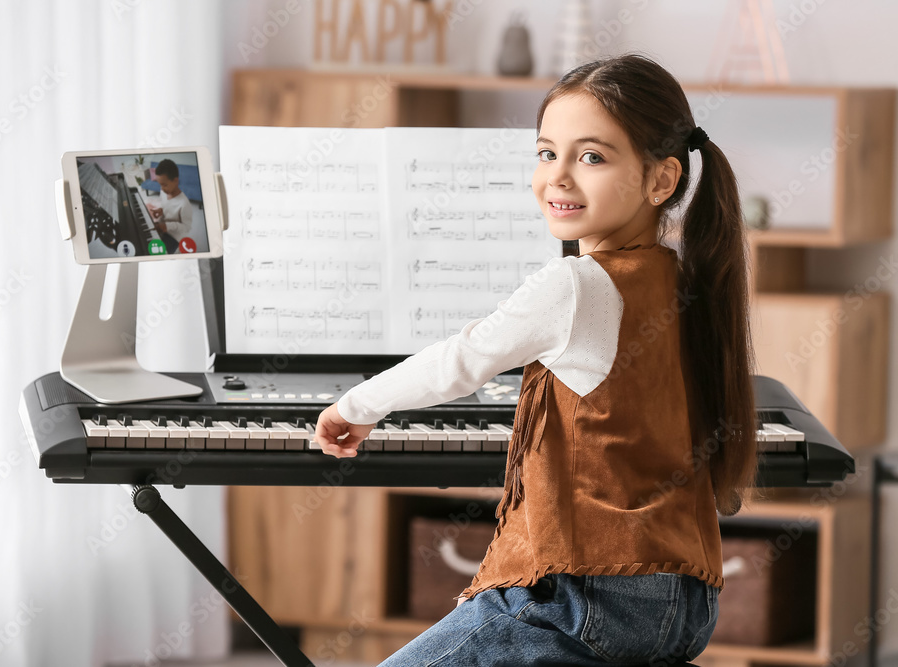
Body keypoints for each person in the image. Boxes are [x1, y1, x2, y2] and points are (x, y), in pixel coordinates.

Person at [313, 52, 759, 666]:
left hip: (584, 596)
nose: (559, 178)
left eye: (592, 157)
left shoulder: (575, 286)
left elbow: (461, 360)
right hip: (685, 602)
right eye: (548, 152)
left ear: (661, 180)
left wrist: (355, 406)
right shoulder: (683, 280)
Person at [146, 158, 193, 254]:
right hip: (162, 227)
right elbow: (165, 205)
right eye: (160, 185)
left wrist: (168, 226)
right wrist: (160, 210)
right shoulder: (164, 191)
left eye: (164, 185)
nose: (162, 188)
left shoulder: (184, 204)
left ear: (175, 181)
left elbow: (186, 227)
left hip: (173, 237)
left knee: (157, 253)